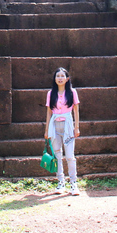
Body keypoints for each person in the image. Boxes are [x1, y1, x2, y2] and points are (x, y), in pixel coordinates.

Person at [44, 67, 81, 195]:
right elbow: (49, 112)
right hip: (54, 125)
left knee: (70, 156)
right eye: (57, 76)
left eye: (62, 76)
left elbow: (76, 110)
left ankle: (73, 183)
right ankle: (61, 183)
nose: (60, 78)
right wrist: (46, 130)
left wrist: (77, 127)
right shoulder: (50, 93)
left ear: (67, 79)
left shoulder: (72, 92)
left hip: (68, 125)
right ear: (55, 79)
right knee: (57, 155)